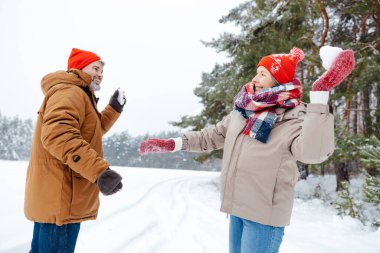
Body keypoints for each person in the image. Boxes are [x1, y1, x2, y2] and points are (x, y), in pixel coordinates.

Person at [139, 46, 355, 253]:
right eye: (257, 72)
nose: (255, 78)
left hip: (264, 217)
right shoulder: (244, 110)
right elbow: (211, 136)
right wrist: (174, 143)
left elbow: (312, 153)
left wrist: (319, 95)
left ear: (278, 80)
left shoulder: (293, 116)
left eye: (263, 74)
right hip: (237, 208)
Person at [24, 48, 126, 253]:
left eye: (102, 71)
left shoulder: (76, 93)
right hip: (62, 198)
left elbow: (90, 132)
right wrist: (99, 171)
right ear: (79, 68)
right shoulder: (70, 92)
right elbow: (59, 135)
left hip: (58, 199)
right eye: (95, 68)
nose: (100, 74)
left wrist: (113, 109)